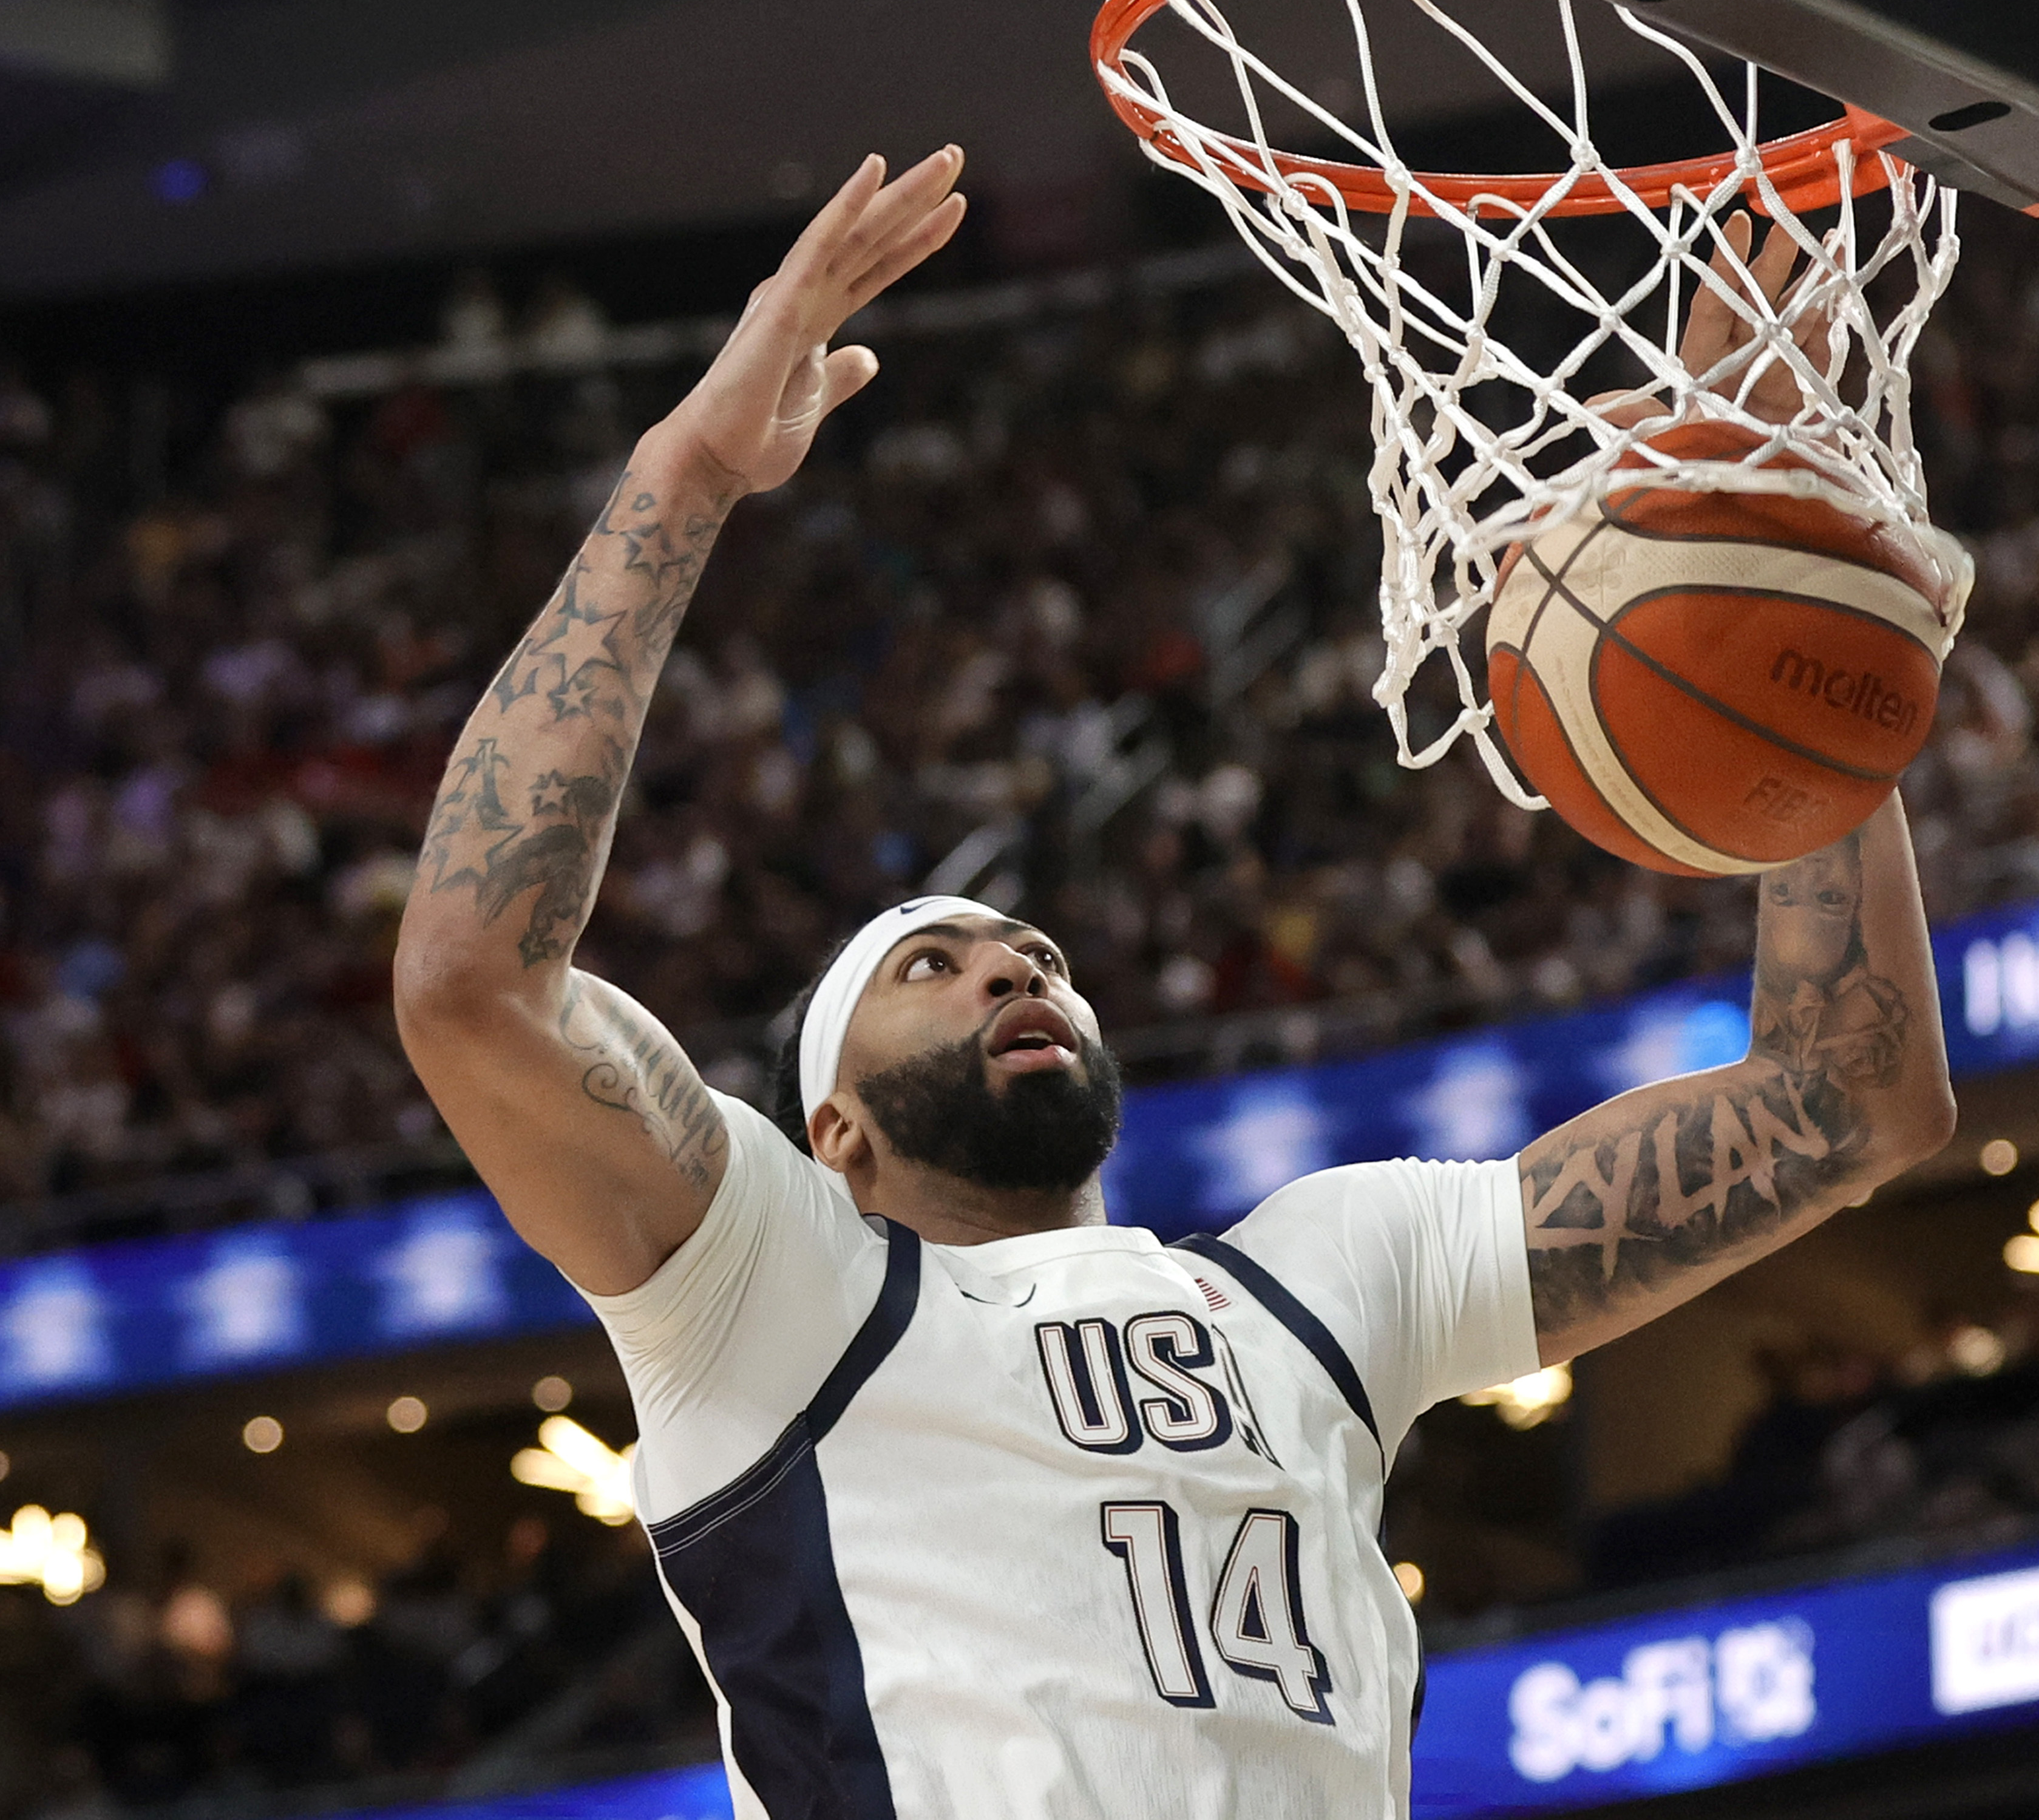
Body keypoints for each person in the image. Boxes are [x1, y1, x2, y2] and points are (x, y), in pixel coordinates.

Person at [392, 151, 1956, 1820]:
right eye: (935, 963)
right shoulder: (770, 1291)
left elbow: (1839, 1100)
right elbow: (476, 980)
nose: (1008, 962)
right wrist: (687, 471)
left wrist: (1795, 643)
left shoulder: (1319, 1277)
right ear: (829, 1131)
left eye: (1036, 954)